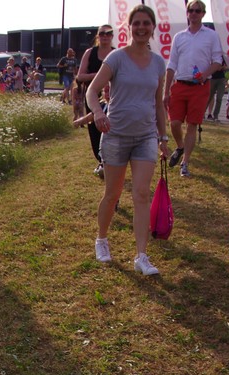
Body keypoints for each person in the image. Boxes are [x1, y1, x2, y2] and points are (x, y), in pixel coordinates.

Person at [78, 3, 170, 276]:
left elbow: (158, 104)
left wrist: (163, 137)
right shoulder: (116, 58)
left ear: (153, 27)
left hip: (145, 136)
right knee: (113, 194)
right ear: (129, 28)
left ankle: (141, 256)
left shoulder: (158, 63)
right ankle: (101, 239)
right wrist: (97, 112)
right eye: (136, 23)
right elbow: (92, 91)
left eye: (146, 23)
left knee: (141, 194)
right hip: (115, 135)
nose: (141, 28)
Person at [163, 1, 224, 178]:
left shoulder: (211, 35)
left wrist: (205, 74)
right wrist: (166, 92)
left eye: (198, 11)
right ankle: (180, 146)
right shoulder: (179, 37)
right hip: (180, 85)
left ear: (203, 14)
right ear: (187, 13)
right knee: (174, 123)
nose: (194, 13)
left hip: (200, 87)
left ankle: (185, 163)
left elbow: (217, 61)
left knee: (192, 125)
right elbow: (171, 64)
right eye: (191, 10)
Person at [77, 25, 115, 177]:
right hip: (92, 95)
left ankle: (109, 162)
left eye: (109, 33)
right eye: (102, 33)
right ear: (98, 36)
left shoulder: (116, 53)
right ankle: (101, 161)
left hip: (111, 96)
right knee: (94, 129)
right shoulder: (90, 53)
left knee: (110, 129)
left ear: (112, 36)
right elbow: (80, 76)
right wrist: (99, 75)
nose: (105, 36)